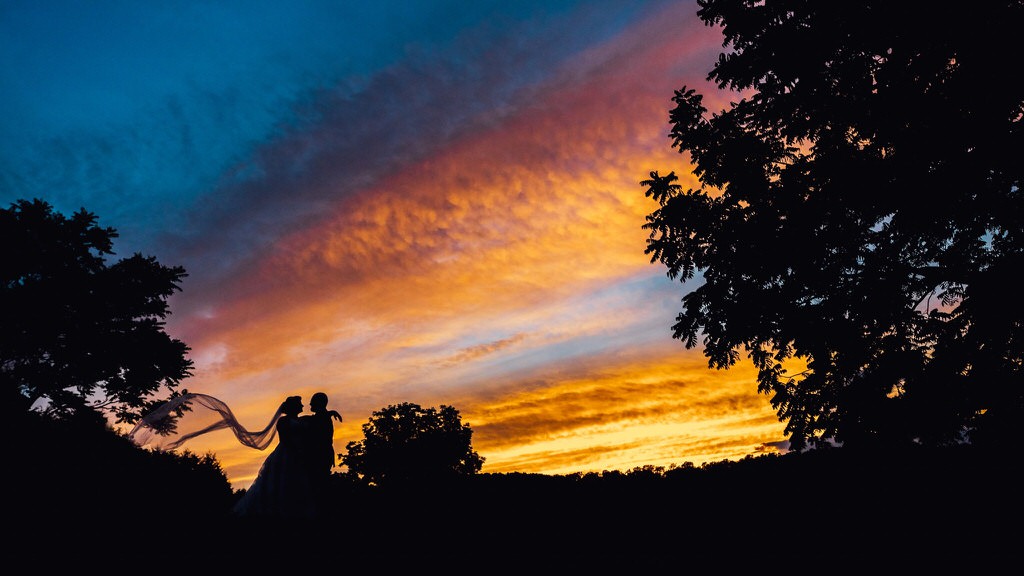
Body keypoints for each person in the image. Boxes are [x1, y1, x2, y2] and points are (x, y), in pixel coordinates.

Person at [232, 395, 319, 519]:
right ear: (293, 407)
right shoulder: (284, 421)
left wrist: (330, 412)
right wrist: (297, 451)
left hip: (299, 453)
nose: (302, 406)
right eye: (299, 404)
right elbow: (285, 439)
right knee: (281, 482)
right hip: (287, 454)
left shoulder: (303, 420)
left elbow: (316, 418)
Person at [300, 392, 342, 502]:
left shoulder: (322, 418)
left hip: (320, 455)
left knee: (318, 486)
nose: (310, 404)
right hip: (322, 455)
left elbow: (314, 422)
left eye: (312, 402)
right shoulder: (322, 416)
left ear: (318, 403)